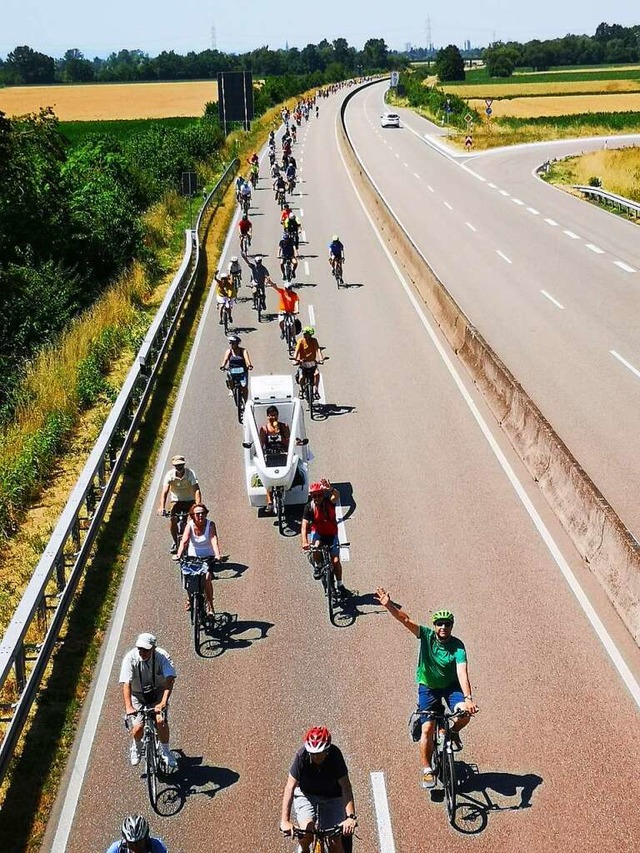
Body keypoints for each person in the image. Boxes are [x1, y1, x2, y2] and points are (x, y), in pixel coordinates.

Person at [373, 590, 479, 790]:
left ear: (451, 626)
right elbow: (406, 620)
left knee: (464, 713)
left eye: (447, 624)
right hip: (428, 688)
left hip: (450, 688)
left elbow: (462, 672)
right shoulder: (427, 636)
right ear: (435, 626)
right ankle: (427, 770)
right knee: (427, 729)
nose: (443, 627)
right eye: (440, 624)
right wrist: (389, 605)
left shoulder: (458, 646)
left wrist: (468, 698)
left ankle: (454, 732)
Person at [280, 726, 357, 853]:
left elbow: (346, 787)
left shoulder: (335, 756)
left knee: (335, 840)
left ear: (327, 751)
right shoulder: (301, 756)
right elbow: (290, 787)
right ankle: (304, 849)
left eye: (319, 754)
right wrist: (285, 820)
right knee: (306, 832)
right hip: (307, 795)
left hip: (333, 797)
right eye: (312, 754)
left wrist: (350, 817)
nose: (315, 757)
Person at [120, 633, 177, 771]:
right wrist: (129, 707)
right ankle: (137, 746)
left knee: (160, 721)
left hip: (157, 692)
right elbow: (126, 684)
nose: (142, 652)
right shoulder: (130, 658)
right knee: (138, 727)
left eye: (146, 649)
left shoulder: (162, 657)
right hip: (138, 695)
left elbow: (170, 680)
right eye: (140, 648)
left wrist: (163, 702)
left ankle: (165, 751)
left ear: (154, 648)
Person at [301, 481, 349, 596]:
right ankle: (317, 567)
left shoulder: (329, 502)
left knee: (336, 561)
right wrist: (304, 541)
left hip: (332, 534)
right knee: (316, 547)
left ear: (323, 495)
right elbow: (304, 526)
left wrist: (331, 489)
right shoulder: (309, 507)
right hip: (319, 533)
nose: (317, 498)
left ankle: (340, 584)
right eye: (314, 496)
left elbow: (336, 496)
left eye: (319, 495)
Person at [176, 503, 221, 614]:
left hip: (208, 557)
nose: (200, 516)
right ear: (192, 515)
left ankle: (210, 606)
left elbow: (213, 539)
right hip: (193, 557)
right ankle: (190, 599)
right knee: (188, 577)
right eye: (197, 514)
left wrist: (217, 554)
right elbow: (184, 541)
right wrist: (178, 554)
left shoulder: (210, 525)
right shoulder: (190, 525)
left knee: (206, 579)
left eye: (203, 513)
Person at [157, 455, 201, 556]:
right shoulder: (169, 475)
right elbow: (164, 492)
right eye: (177, 466)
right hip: (176, 501)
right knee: (172, 519)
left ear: (184, 464)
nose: (179, 467)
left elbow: (197, 490)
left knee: (195, 519)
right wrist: (162, 507)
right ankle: (175, 541)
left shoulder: (190, 474)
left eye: (181, 465)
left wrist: (198, 505)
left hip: (190, 500)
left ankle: (195, 540)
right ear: (174, 466)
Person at [259, 405, 290, 513]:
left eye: (275, 414)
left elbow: (288, 442)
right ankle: (269, 502)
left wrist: (280, 433)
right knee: (267, 476)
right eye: (271, 415)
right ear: (267, 416)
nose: (273, 417)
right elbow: (261, 444)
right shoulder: (264, 429)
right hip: (270, 455)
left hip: (282, 454)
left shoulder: (284, 426)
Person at [220, 334, 253, 403]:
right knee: (230, 378)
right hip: (232, 370)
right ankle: (231, 389)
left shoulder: (243, 351)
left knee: (244, 386)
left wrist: (249, 365)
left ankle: (245, 402)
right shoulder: (229, 351)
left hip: (242, 370)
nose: (231, 344)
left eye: (233, 343)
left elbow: (247, 359)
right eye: (230, 343)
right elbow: (225, 359)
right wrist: (223, 366)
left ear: (237, 343)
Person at [294, 326, 323, 399]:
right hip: (303, 364)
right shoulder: (300, 341)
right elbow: (296, 352)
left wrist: (321, 359)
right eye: (303, 333)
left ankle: (316, 391)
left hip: (312, 363)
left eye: (306, 334)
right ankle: (301, 389)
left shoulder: (314, 341)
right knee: (301, 377)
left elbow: (318, 350)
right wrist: (295, 359)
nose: (304, 335)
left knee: (317, 374)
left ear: (310, 335)